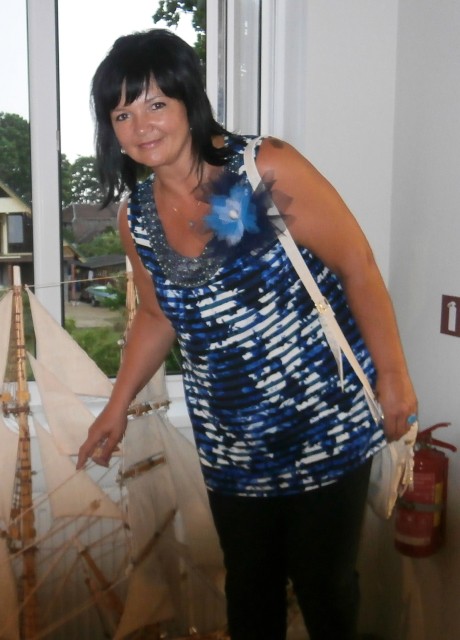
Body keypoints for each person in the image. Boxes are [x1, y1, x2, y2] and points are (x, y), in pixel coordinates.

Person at [77, 28, 417, 640]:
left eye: (155, 104)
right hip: (230, 442)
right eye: (123, 114)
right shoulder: (137, 217)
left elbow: (357, 266)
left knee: (325, 590)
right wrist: (115, 406)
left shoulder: (264, 168)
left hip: (323, 421)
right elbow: (156, 315)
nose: (141, 126)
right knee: (249, 593)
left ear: (189, 101)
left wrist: (393, 376)